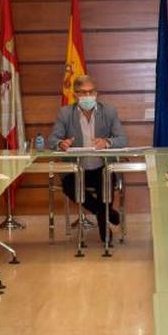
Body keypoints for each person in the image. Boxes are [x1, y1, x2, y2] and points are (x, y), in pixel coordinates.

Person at [49, 74, 127, 242]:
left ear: (96, 93)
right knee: (69, 186)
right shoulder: (65, 113)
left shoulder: (109, 111)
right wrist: (62, 143)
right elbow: (52, 140)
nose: (87, 96)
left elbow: (122, 140)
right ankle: (105, 213)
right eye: (83, 92)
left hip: (102, 167)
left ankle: (104, 232)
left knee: (105, 185)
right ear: (75, 94)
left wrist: (106, 142)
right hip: (77, 169)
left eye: (91, 92)